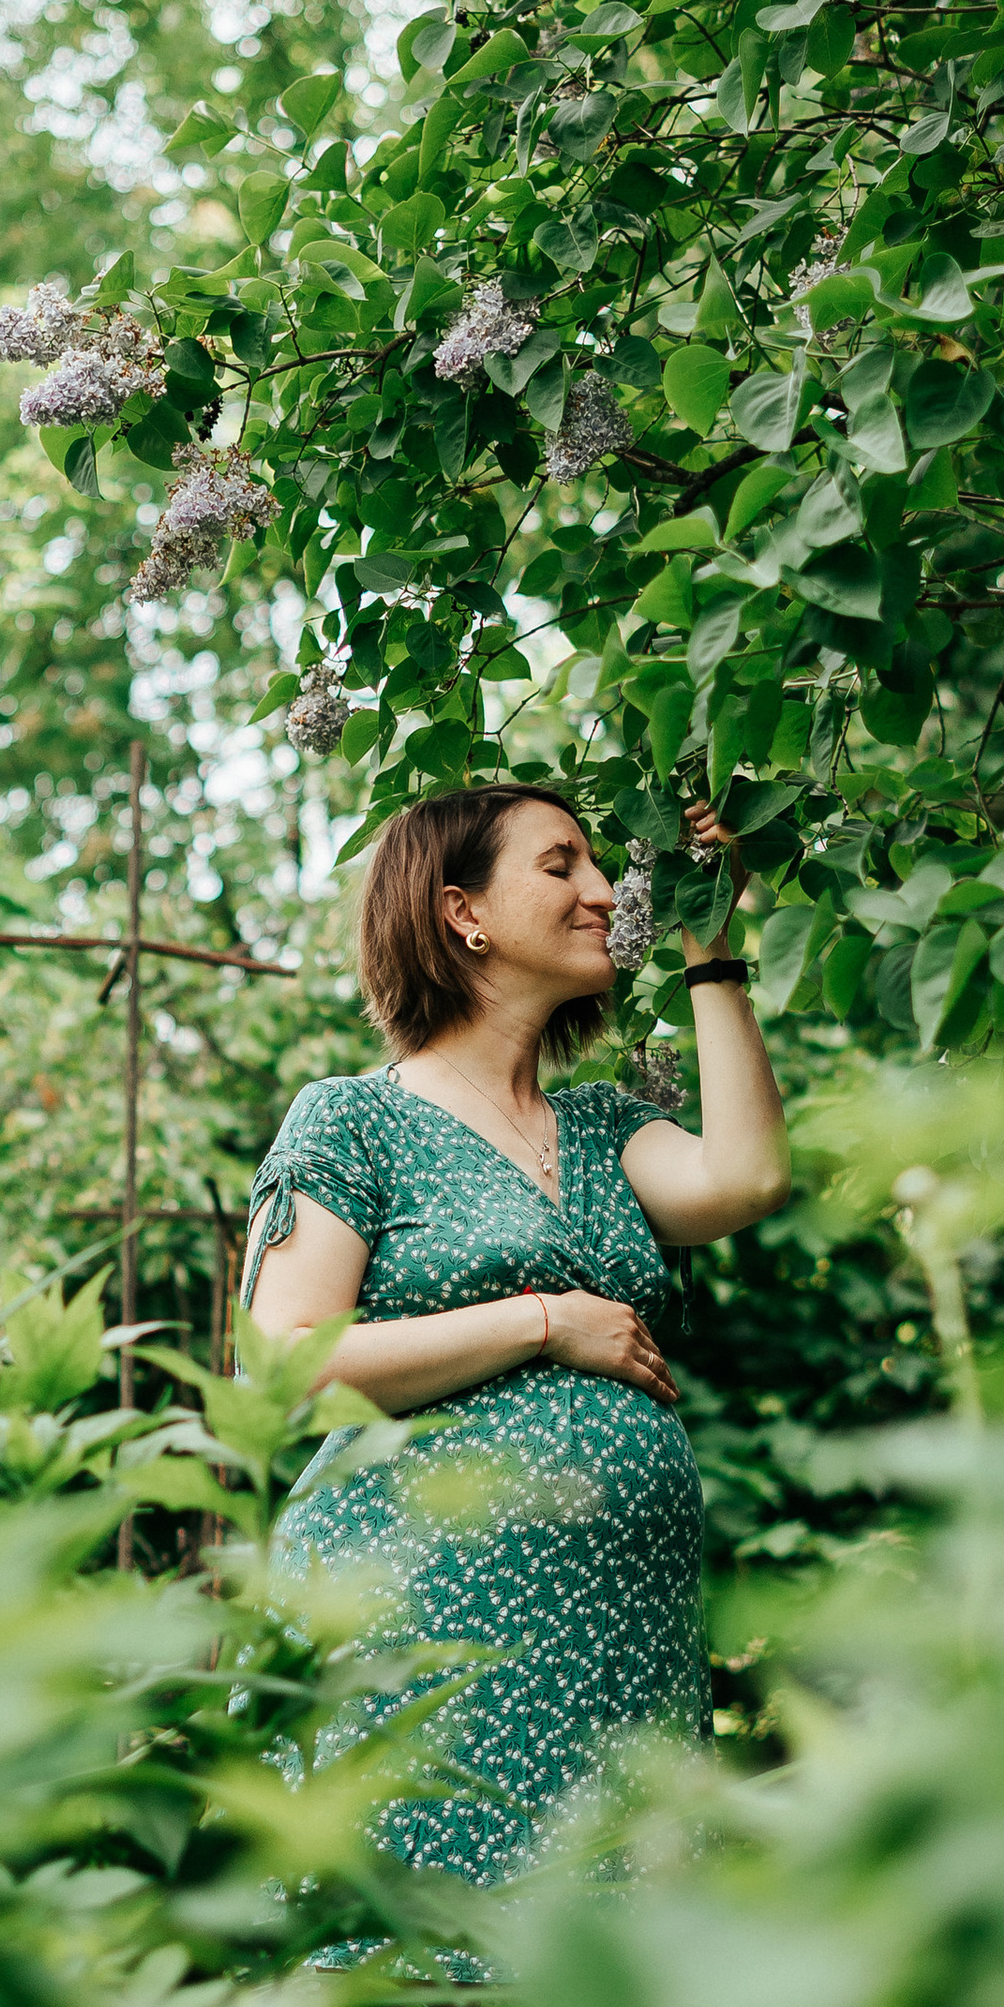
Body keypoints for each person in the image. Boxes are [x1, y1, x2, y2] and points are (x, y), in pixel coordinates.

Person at [239, 784, 791, 1918]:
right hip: (424, 1633)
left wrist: (711, 943)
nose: (604, 893)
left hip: (618, 1648)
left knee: (619, 1985)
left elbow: (746, 1179)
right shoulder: (351, 1121)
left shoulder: (603, 1127)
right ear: (464, 913)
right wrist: (545, 1320)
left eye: (600, 866)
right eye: (561, 865)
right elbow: (284, 1361)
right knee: (428, 1981)